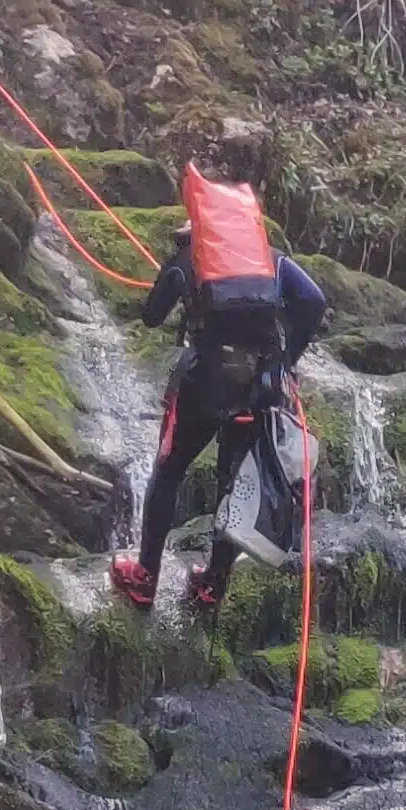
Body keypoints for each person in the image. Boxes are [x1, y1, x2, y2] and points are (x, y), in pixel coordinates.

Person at [110, 172, 329, 615]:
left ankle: (145, 578)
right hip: (257, 391)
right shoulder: (272, 261)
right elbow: (314, 302)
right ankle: (212, 585)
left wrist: (171, 280)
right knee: (234, 481)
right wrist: (286, 363)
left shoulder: (189, 258)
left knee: (170, 471)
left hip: (202, 384)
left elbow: (151, 317)